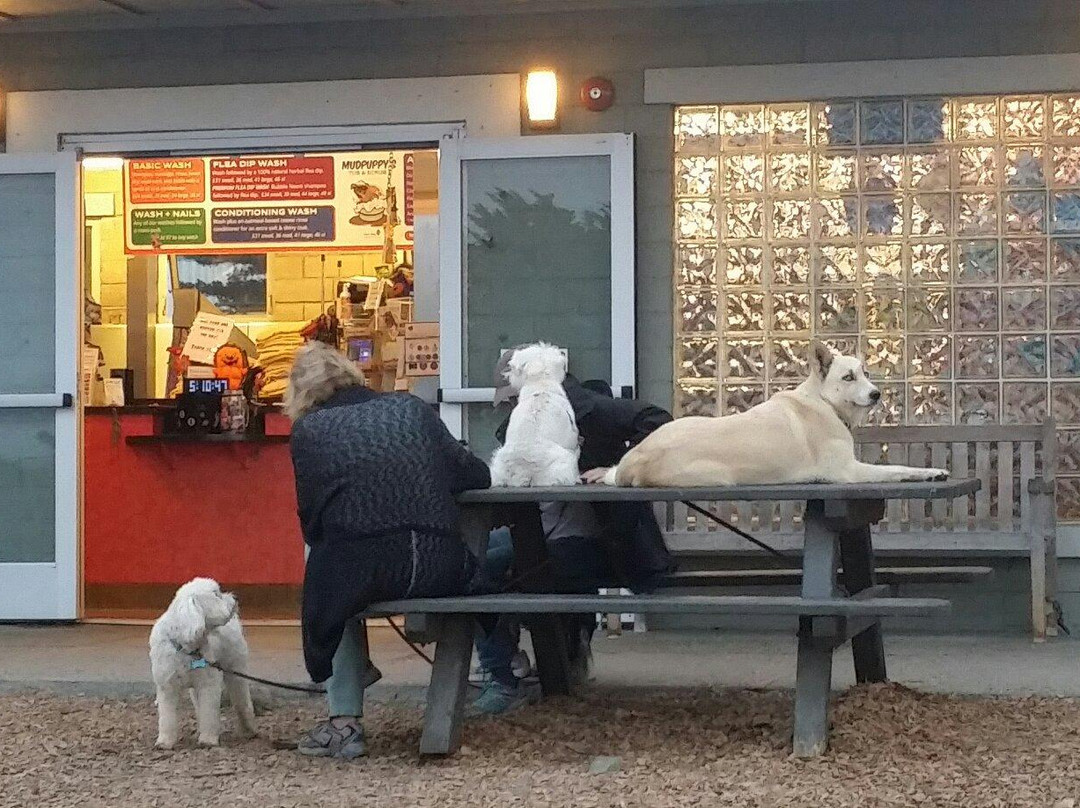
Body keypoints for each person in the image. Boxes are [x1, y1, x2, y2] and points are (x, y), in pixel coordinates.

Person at [285, 341, 491, 758]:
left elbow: (313, 524)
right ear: (352, 374)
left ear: (300, 395)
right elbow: (477, 475)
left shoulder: (308, 432)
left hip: (366, 570)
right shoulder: (411, 409)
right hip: (441, 563)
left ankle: (344, 722)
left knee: (322, 561)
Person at [470, 346, 675, 714]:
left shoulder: (588, 410)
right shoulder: (524, 421)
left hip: (592, 543)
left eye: (512, 397)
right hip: (545, 536)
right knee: (473, 560)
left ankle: (502, 675)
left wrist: (617, 470)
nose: (512, 406)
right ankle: (529, 663)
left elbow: (659, 421)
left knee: (485, 567)